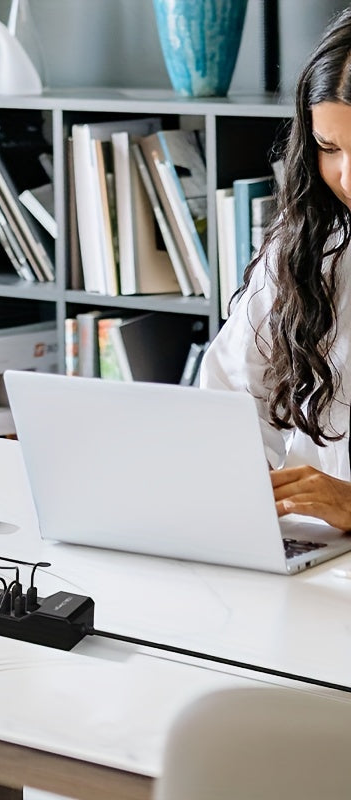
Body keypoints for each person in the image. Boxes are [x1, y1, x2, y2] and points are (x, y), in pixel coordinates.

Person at [200, 7, 351, 531]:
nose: (346, 178)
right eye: (329, 148)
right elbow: (228, 393)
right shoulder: (311, 244)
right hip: (311, 550)